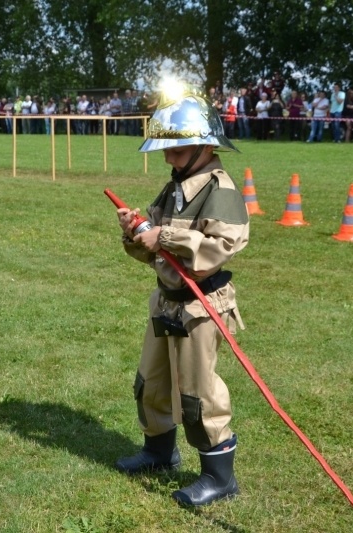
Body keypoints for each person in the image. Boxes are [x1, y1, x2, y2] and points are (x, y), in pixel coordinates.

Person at [114, 87, 249, 508]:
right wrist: (137, 231)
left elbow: (221, 246)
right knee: (151, 383)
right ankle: (159, 452)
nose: (167, 158)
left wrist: (165, 236)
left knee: (198, 393)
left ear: (204, 145)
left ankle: (218, 476)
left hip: (200, 307)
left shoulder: (219, 187)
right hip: (166, 300)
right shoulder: (176, 185)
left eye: (176, 150)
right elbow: (152, 243)